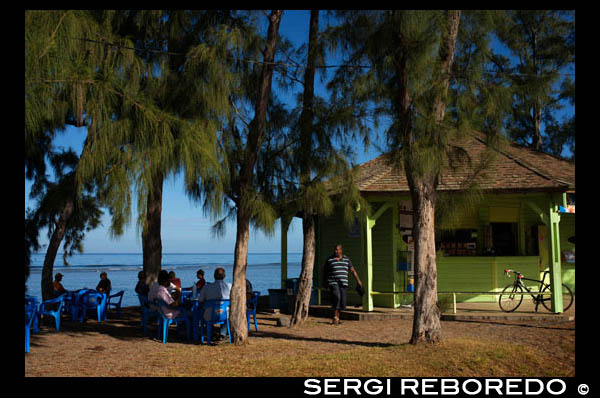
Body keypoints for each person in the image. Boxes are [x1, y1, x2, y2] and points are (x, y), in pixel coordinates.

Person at [324, 244, 363, 325]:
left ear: (341, 250)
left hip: (344, 283)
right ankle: (335, 317)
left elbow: (352, 270)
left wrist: (358, 281)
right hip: (333, 282)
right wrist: (325, 282)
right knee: (337, 297)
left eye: (337, 250)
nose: (335, 251)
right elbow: (325, 272)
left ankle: (337, 318)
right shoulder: (330, 260)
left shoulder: (346, 259)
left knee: (342, 301)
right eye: (335, 250)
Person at [197, 267, 231, 342]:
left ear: (214, 276)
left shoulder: (206, 287)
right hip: (225, 314)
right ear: (224, 276)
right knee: (228, 317)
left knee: (203, 314)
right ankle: (222, 334)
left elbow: (200, 301)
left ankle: (212, 333)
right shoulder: (229, 286)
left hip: (209, 315)